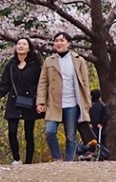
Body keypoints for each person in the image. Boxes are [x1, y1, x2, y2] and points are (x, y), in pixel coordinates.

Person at [38, 32, 100, 162]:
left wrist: (87, 104)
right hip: (54, 102)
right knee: (50, 131)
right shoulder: (49, 61)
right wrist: (40, 102)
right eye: (56, 41)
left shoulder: (79, 60)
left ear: (69, 43)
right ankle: (57, 158)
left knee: (71, 136)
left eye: (62, 40)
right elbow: (43, 83)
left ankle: (69, 161)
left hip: (72, 103)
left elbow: (85, 83)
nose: (58, 43)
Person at [0, 37, 42, 164]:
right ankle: (16, 158)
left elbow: (41, 84)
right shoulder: (11, 65)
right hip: (14, 101)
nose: (21, 46)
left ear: (29, 48)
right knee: (12, 132)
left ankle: (28, 161)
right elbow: (5, 84)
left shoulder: (35, 65)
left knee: (28, 134)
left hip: (30, 101)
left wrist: (40, 101)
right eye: (19, 44)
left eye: (24, 44)